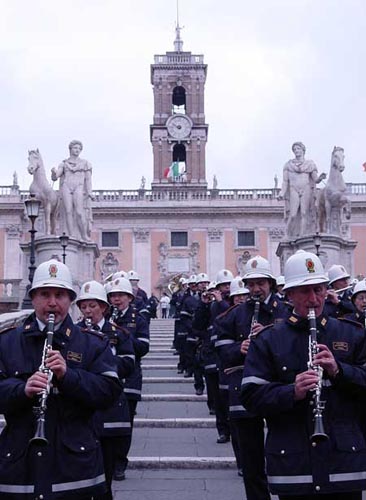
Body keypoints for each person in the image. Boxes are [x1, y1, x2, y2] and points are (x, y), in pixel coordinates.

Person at [241, 250, 366, 500]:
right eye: (304, 291)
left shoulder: (351, 333)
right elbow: (251, 396)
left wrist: (339, 371)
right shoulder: (269, 339)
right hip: (293, 466)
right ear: (289, 295)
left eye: (318, 290)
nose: (313, 299)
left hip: (344, 463)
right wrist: (292, 391)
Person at [0, 259, 121, 500]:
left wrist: (69, 376)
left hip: (76, 469)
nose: (52, 303)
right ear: (33, 298)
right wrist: (22, 390)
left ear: (70, 300)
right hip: (19, 467)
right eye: (45, 294)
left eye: (60, 295)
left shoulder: (92, 343)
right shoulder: (7, 341)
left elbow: (109, 392)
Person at [215, 256, 288, 499]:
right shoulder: (234, 314)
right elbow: (222, 352)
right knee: (251, 459)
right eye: (251, 284)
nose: (256, 289)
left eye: (261, 283)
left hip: (279, 388)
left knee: (286, 451)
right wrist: (240, 348)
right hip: (245, 390)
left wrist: (271, 335)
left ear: (270, 283)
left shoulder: (286, 311)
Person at [76, 280, 135, 500]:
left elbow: (129, 363)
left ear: (103, 307)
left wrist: (102, 367)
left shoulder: (118, 333)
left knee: (106, 476)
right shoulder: (74, 333)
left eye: (92, 305)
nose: (88, 311)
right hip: (83, 407)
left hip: (110, 407)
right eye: (84, 306)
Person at [106, 277, 150, 481]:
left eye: (120, 296)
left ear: (129, 298)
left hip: (130, 377)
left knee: (125, 422)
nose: (116, 300)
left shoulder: (138, 319)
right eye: (113, 296)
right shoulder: (104, 317)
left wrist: (122, 334)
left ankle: (120, 462)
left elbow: (143, 347)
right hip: (106, 376)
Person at [278, 142, 326, 238]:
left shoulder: (310, 164)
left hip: (306, 189)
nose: (296, 151)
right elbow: (285, 181)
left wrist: (320, 178)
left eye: (298, 149)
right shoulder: (288, 165)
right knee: (293, 214)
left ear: (303, 150)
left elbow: (315, 179)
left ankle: (302, 236)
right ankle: (287, 235)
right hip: (293, 189)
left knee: (305, 213)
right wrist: (282, 192)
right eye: (294, 149)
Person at [51, 140, 93, 241]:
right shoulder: (64, 163)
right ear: (70, 149)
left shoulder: (85, 163)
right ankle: (71, 235)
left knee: (79, 212)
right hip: (66, 186)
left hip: (79, 186)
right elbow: (55, 177)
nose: (77, 150)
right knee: (68, 211)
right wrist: (53, 173)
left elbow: (88, 179)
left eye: (79, 148)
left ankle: (84, 235)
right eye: (75, 148)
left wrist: (89, 192)